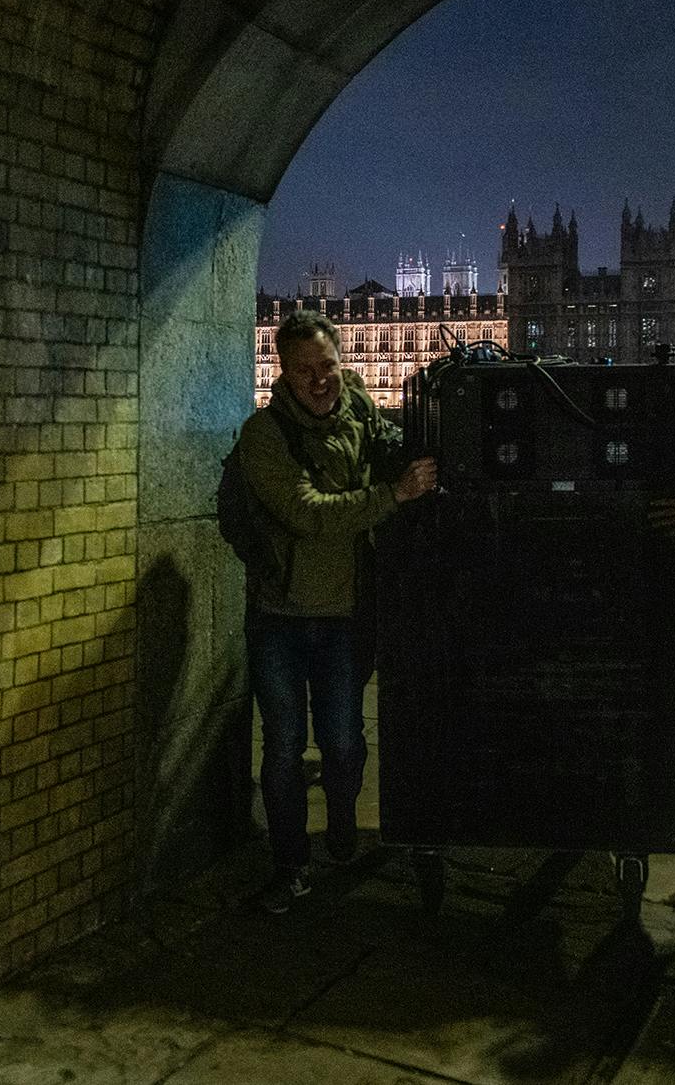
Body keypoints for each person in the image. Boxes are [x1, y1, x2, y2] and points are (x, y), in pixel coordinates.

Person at [236, 310, 436, 914]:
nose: (320, 379)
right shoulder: (264, 435)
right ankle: (291, 865)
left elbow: (400, 448)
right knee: (283, 747)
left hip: (345, 616)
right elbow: (310, 514)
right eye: (305, 370)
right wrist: (392, 496)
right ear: (283, 373)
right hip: (280, 616)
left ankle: (344, 812)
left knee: (345, 743)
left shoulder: (359, 412)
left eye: (328, 365)